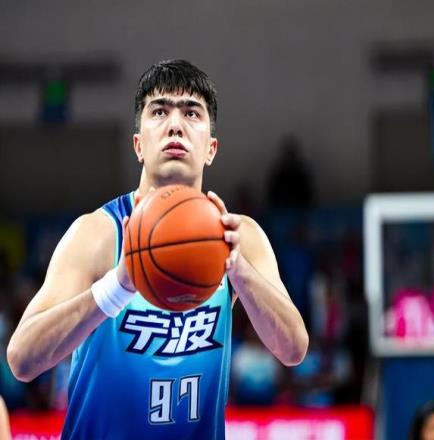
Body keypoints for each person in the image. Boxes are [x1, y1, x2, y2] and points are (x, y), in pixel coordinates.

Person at [6, 60, 308, 439]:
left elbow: (293, 350)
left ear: (211, 149)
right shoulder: (98, 234)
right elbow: (22, 361)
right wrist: (116, 287)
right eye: (160, 111)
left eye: (191, 113)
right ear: (138, 145)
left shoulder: (238, 236)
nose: (175, 125)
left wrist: (239, 272)